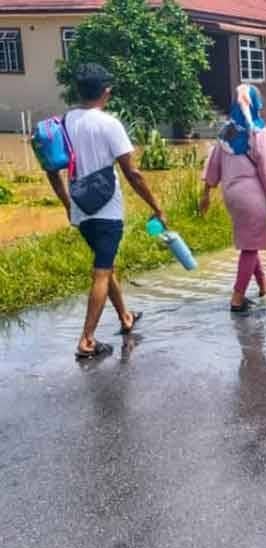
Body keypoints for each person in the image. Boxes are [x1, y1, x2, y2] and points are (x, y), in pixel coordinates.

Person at [43, 63, 165, 360]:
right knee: (102, 272)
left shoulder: (64, 122)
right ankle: (87, 340)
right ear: (105, 91)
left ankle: (125, 317)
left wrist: (66, 202)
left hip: (81, 210)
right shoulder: (110, 124)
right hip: (107, 211)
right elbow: (132, 173)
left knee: (105, 266)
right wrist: (156, 206)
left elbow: (51, 167)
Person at [200, 84, 266, 313]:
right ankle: (237, 298)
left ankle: (264, 284)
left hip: (232, 195)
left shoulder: (226, 131)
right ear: (257, 104)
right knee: (249, 247)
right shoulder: (258, 132)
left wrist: (206, 194)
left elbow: (213, 165)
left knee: (250, 242)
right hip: (252, 196)